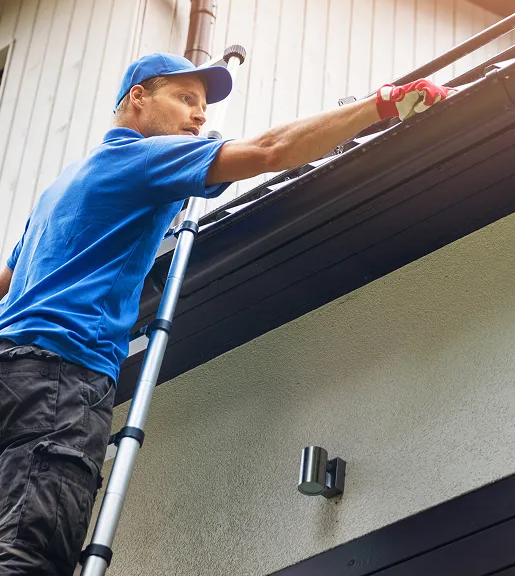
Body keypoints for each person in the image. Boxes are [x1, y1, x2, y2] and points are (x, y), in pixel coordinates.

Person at [0, 51, 452, 574]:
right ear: (137, 99)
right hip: (60, 382)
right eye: (186, 98)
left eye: (204, 106)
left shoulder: (60, 187)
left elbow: (7, 280)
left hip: (11, 372)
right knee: (27, 556)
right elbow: (269, 150)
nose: (200, 116)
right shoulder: (142, 158)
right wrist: (383, 103)